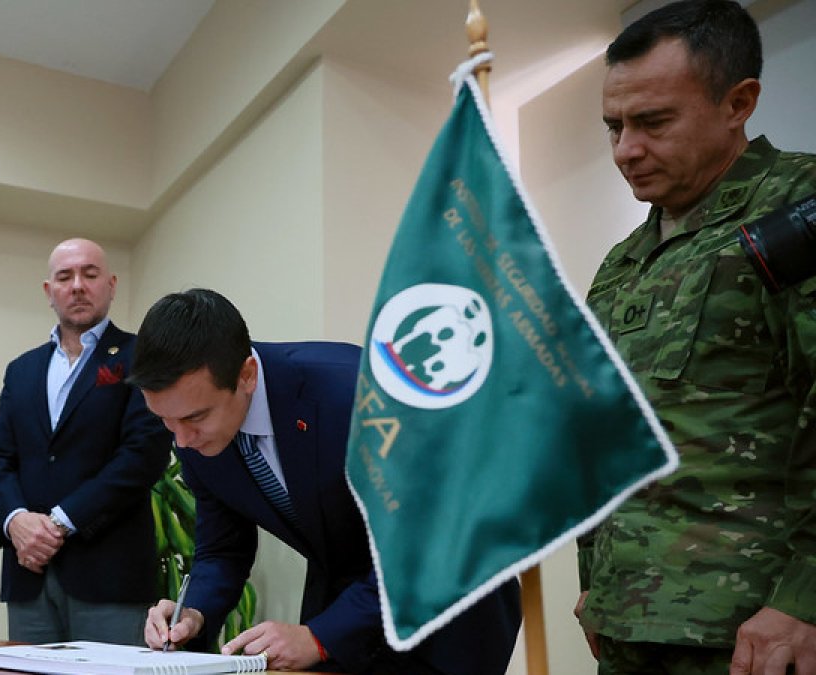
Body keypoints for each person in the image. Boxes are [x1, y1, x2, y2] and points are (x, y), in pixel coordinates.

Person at [576, 1, 816, 673]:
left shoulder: (797, 206)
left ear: (738, 102)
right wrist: (594, 574)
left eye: (652, 122)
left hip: (754, 634)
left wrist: (805, 600)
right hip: (629, 625)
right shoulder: (622, 263)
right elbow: (601, 431)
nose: (626, 149)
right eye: (614, 126)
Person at [128, 288, 521, 674]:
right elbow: (222, 549)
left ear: (246, 375)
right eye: (165, 420)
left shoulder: (355, 392)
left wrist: (319, 636)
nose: (181, 441)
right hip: (348, 614)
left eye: (194, 418)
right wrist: (192, 612)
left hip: (447, 612)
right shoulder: (194, 433)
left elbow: (427, 544)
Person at [0, 237, 172, 645]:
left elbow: (143, 454)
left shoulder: (141, 357)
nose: (78, 286)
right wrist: (15, 520)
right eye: (65, 277)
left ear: (112, 284)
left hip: (110, 577)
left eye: (90, 273)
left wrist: (59, 522)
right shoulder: (22, 370)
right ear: (49, 292)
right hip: (28, 573)